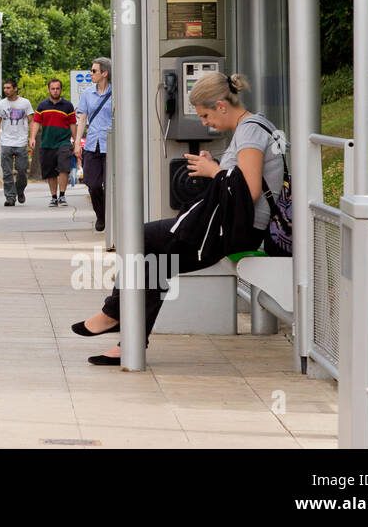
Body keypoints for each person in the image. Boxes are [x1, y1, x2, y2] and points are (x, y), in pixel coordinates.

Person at [72, 72, 283, 365]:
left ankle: (116, 316)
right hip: (230, 226)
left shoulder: (249, 131)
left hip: (233, 230)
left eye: (206, 115)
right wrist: (218, 166)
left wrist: (214, 171)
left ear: (222, 105)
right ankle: (127, 338)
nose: (205, 123)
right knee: (153, 258)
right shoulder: (253, 127)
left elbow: (249, 189)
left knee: (140, 238)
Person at [73, 58, 112, 231]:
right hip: (92, 145)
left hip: (111, 144)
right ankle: (101, 215)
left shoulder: (116, 93)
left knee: (111, 185)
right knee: (93, 184)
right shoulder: (88, 93)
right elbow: (82, 119)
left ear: (104, 73)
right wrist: (77, 144)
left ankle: (111, 217)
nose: (91, 74)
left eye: (94, 71)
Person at [29, 78, 76, 208]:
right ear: (49, 90)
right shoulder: (42, 106)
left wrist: (76, 141)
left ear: (61, 89)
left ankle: (62, 195)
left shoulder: (68, 106)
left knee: (64, 168)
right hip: (47, 143)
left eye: (57, 88)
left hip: (64, 142)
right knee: (50, 172)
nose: (55, 91)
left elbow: (73, 123)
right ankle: (53, 197)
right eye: (53, 88)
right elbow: (37, 122)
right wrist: (32, 137)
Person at [0, 79, 34, 206]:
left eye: (9, 88)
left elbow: (32, 120)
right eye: (5, 88)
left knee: (22, 171)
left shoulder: (25, 103)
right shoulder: (0, 104)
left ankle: (19, 190)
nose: (6, 90)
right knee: (7, 172)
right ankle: (10, 197)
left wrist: (32, 137)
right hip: (6, 142)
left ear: (15, 89)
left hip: (21, 142)